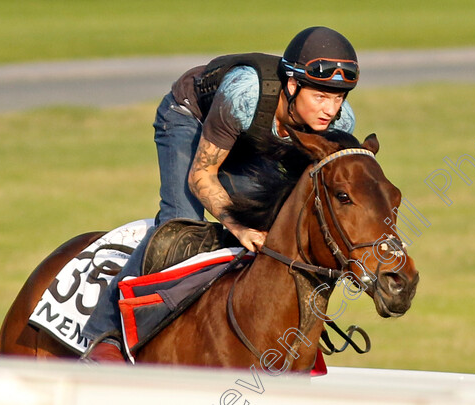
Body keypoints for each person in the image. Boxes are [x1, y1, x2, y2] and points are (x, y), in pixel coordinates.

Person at [80, 26, 361, 362]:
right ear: (291, 85)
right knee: (179, 225)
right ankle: (105, 333)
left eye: (338, 97)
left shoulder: (339, 126)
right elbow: (202, 176)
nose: (330, 109)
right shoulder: (244, 95)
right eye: (319, 96)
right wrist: (239, 227)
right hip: (190, 119)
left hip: (249, 141)